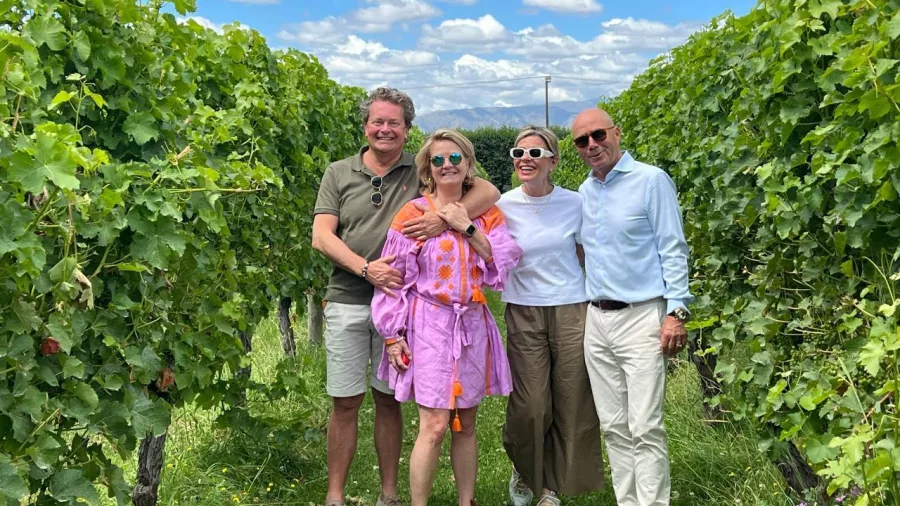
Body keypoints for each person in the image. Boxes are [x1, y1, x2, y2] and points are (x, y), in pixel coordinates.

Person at [311, 88, 501, 506]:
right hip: (348, 295)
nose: (384, 129)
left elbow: (484, 189)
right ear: (365, 126)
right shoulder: (338, 173)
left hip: (406, 305)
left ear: (406, 129)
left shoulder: (419, 170)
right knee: (344, 401)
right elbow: (321, 236)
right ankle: (335, 496)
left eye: (393, 122)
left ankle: (390, 495)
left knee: (389, 398)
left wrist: (440, 220)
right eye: (377, 121)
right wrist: (367, 268)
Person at [371, 129, 522, 506]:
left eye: (455, 158)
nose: (447, 165)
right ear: (428, 169)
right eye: (437, 160)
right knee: (435, 425)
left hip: (471, 324)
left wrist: (465, 226)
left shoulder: (487, 215)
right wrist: (392, 334)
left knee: (466, 424)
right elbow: (393, 280)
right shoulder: (412, 216)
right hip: (429, 326)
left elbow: (501, 262)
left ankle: (465, 501)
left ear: (468, 164)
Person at [572, 108, 693, 506]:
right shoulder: (585, 192)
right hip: (597, 318)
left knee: (645, 426)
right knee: (613, 426)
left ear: (617, 133)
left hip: (642, 315)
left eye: (598, 135)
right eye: (582, 140)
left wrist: (676, 311)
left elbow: (672, 248)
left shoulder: (651, 181)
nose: (592, 145)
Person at [496, 126, 605, 506]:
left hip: (572, 307)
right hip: (523, 309)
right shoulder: (502, 205)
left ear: (553, 162)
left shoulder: (574, 203)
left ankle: (549, 487)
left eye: (535, 153)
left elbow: (585, 253)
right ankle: (526, 468)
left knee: (571, 399)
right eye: (518, 153)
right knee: (530, 405)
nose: (525, 158)